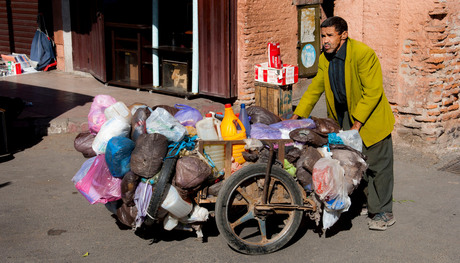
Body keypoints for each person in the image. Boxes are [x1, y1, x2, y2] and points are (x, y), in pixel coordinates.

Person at [291, 16, 396, 231]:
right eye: (323, 36)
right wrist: (298, 115)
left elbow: (373, 92)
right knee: (353, 160)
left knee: (378, 164)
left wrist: (357, 124)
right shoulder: (325, 58)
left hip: (370, 116)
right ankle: (366, 203)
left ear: (343, 35)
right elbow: (315, 89)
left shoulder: (363, 54)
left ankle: (384, 211)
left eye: (330, 35)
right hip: (344, 116)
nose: (325, 41)